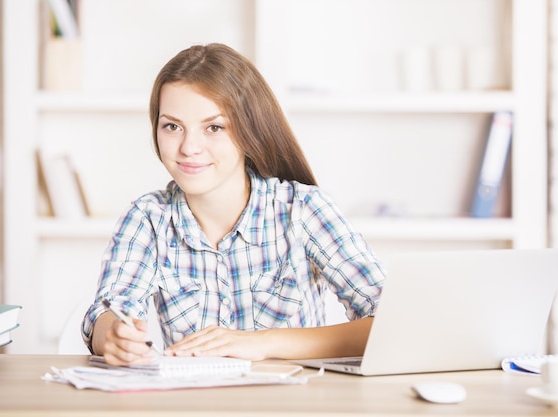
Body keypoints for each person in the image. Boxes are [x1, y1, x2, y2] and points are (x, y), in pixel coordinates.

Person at [82, 43, 385, 366]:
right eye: (172, 126)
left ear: (248, 131)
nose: (189, 147)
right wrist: (113, 335)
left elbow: (388, 321)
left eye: (214, 127)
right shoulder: (149, 218)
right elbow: (108, 312)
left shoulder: (303, 209)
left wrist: (263, 343)